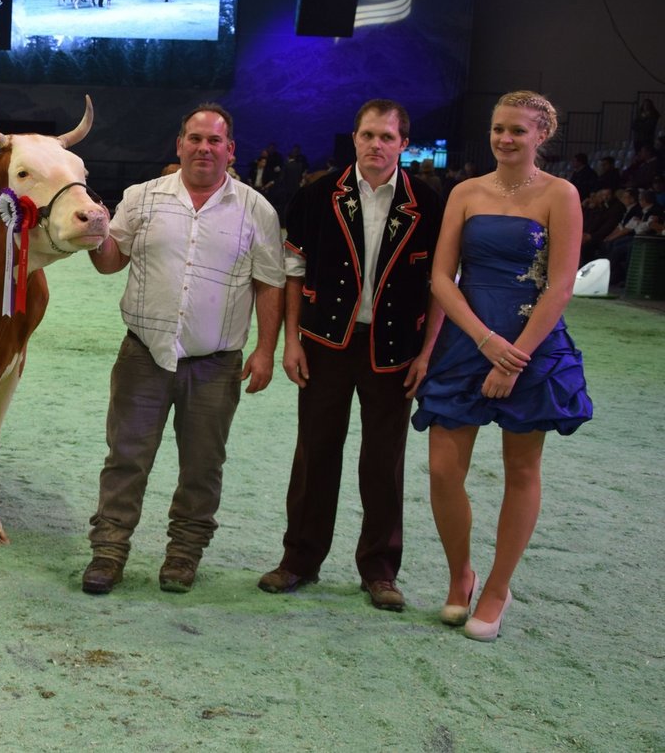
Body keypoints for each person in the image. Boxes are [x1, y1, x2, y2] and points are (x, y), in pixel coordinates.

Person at [81, 103, 283, 595]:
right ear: (180, 144)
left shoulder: (257, 210)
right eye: (195, 138)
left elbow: (270, 283)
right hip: (143, 355)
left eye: (214, 141)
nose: (204, 148)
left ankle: (183, 554)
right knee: (125, 458)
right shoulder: (141, 197)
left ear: (230, 150)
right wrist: (95, 235)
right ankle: (108, 551)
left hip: (216, 363)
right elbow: (111, 263)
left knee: (202, 466)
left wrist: (265, 350)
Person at [413, 90, 592, 641]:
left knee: (521, 471)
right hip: (469, 340)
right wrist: (483, 339)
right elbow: (442, 277)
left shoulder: (561, 195)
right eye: (498, 129)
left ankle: (497, 587)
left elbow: (561, 286)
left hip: (532, 348)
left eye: (518, 130)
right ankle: (459, 577)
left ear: (542, 136)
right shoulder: (465, 192)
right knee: (443, 472)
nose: (506, 139)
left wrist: (513, 358)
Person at [258, 99, 444, 611]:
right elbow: (294, 272)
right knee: (315, 453)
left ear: (404, 143)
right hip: (324, 343)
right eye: (367, 135)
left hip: (395, 349)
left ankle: (380, 570)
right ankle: (299, 560)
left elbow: (440, 285)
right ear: (355, 139)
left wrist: (427, 354)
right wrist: (292, 339)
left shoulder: (430, 203)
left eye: (387, 137)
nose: (376, 145)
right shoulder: (317, 194)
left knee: (384, 462)